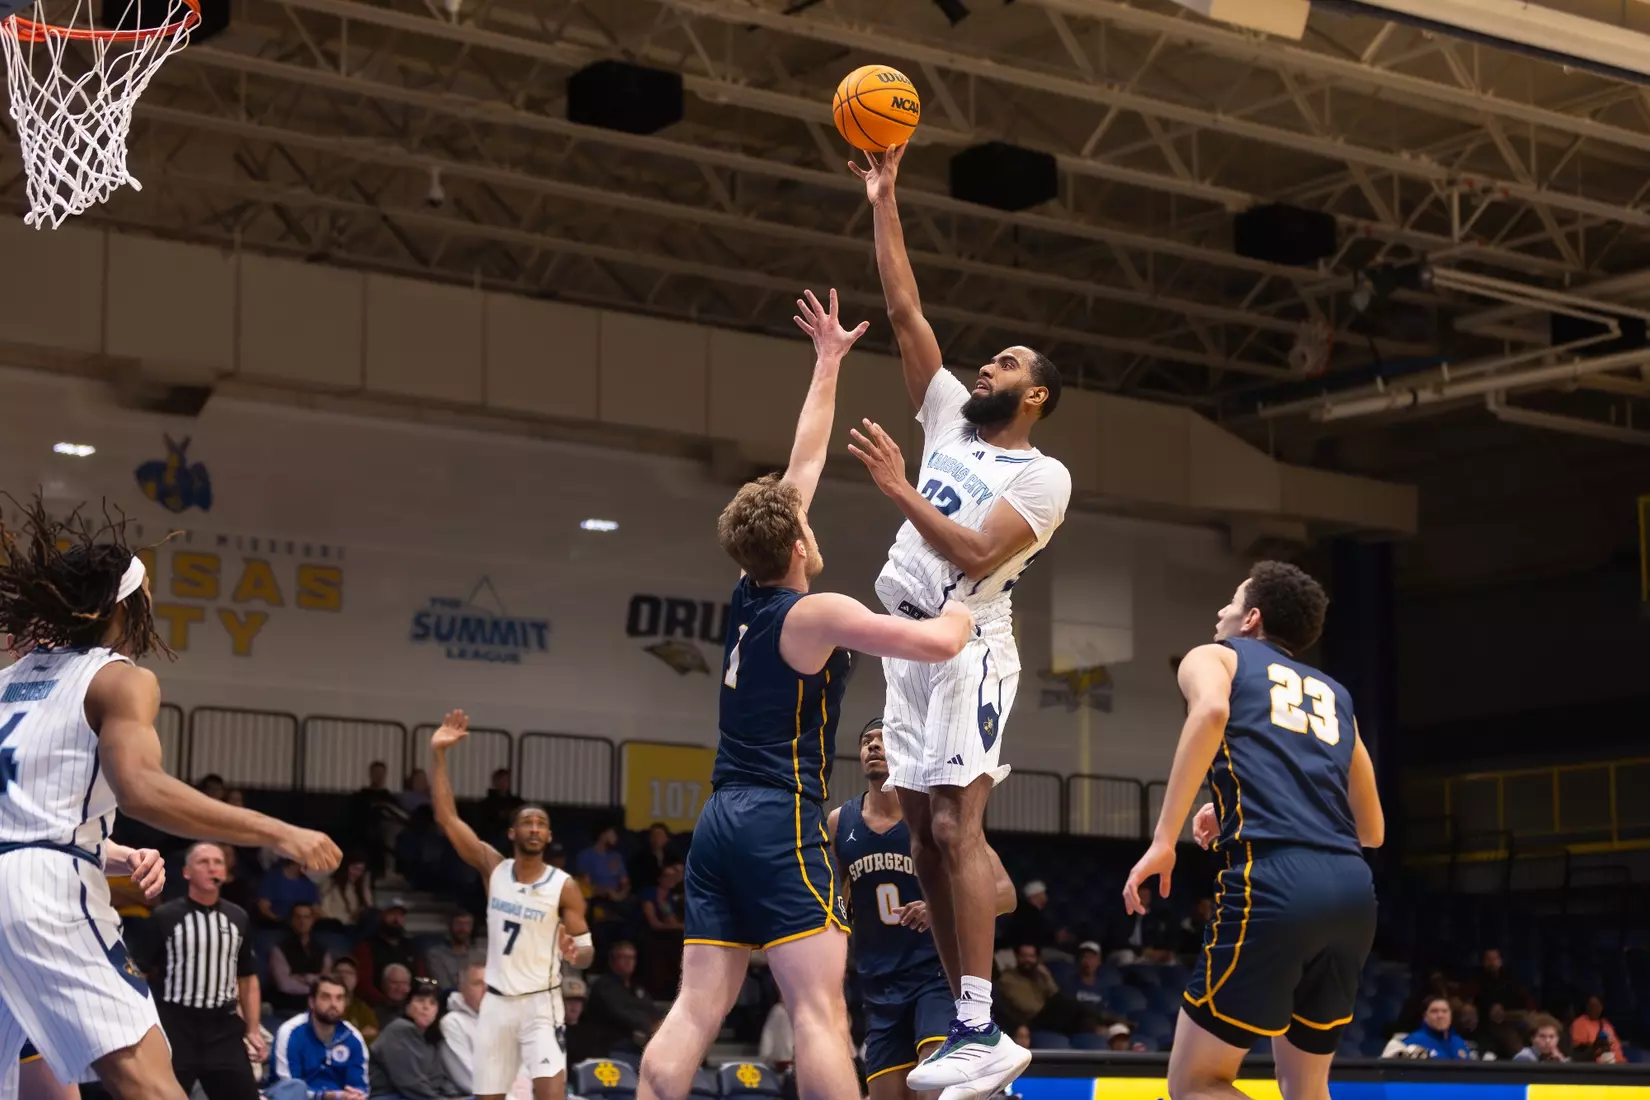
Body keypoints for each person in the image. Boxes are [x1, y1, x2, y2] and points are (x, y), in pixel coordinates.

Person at [637, 289, 977, 1100]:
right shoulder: (813, 610)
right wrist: (971, 591)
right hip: (779, 817)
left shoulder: (748, 593)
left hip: (719, 822)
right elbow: (939, 641)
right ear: (796, 543)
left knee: (696, 1005)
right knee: (822, 1009)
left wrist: (828, 362)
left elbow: (806, 461)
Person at [852, 143, 1071, 1098]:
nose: (987, 363)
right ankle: (969, 1026)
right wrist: (884, 198)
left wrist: (900, 489)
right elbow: (905, 309)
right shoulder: (946, 414)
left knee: (953, 824)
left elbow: (978, 554)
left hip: (968, 642)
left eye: (1007, 362)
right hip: (906, 642)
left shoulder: (1041, 473)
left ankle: (982, 1023)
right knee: (921, 839)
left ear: (1036, 397)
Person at [0, 496, 339, 1100]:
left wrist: (108, 853)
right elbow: (142, 789)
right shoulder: (119, 677)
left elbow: (20, 818)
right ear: (124, 606)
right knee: (151, 1082)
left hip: (18, 872)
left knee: (38, 1087)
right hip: (42, 895)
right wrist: (278, 831)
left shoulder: (8, 681)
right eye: (146, 590)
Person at [1123, 561, 1386, 1100]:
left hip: (1277, 882)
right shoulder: (1338, 696)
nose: (1221, 610)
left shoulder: (1214, 656)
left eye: (1232, 601)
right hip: (1353, 892)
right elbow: (1373, 829)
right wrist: (1244, 805)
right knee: (1307, 1089)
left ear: (1252, 619)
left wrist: (1163, 840)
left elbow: (1213, 711)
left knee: (1196, 1083)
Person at [830, 718, 1014, 1100]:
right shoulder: (838, 821)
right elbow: (834, 897)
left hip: (933, 975)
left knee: (935, 1091)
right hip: (877, 981)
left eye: (883, 740)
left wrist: (939, 908)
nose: (874, 747)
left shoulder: (936, 817)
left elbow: (1005, 893)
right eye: (867, 741)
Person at [430, 710, 592, 1100]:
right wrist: (438, 756)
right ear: (512, 832)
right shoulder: (494, 868)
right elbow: (447, 818)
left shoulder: (564, 886)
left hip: (542, 1005)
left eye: (540, 824)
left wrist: (577, 951)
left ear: (548, 834)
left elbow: (586, 953)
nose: (534, 828)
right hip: (498, 1004)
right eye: (527, 823)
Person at [144, 842, 265, 1100]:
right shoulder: (165, 916)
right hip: (177, 1026)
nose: (212, 867)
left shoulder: (238, 917)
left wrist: (253, 1028)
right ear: (187, 872)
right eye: (204, 862)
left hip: (223, 1027)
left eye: (218, 862)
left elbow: (247, 976)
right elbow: (140, 971)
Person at [269, 975, 370, 1100]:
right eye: (326, 997)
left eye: (339, 998)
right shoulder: (290, 1033)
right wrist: (324, 1096)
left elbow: (360, 1086)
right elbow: (288, 1088)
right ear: (312, 1002)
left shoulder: (353, 1037)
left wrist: (355, 1095)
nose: (333, 1004)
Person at [369, 980, 466, 1099]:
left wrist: (456, 1096)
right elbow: (411, 1083)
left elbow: (440, 1079)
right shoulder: (399, 1029)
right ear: (407, 1005)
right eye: (420, 1001)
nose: (426, 1007)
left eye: (432, 1003)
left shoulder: (429, 1039)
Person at [586, 943, 660, 1057]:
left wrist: (660, 1025)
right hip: (611, 1046)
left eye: (632, 958)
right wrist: (649, 1026)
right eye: (624, 957)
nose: (629, 961)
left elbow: (651, 1010)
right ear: (612, 961)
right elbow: (620, 1014)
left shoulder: (637, 987)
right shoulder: (603, 986)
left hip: (640, 1046)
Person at [271, 903, 335, 1015]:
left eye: (306, 917)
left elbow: (327, 980)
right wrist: (315, 984)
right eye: (298, 917)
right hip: (290, 1004)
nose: (302, 921)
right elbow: (284, 985)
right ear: (292, 920)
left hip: (318, 1004)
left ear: (313, 920)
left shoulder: (322, 949)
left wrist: (304, 978)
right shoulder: (280, 949)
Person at [438, 964, 488, 1096]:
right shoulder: (452, 1022)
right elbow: (469, 1081)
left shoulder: (496, 1019)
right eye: (477, 983)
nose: (485, 990)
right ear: (462, 988)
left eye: (489, 984)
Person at [639, 861, 686, 999]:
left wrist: (678, 925)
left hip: (663, 934)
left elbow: (671, 922)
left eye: (673, 877)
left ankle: (676, 986)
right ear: (660, 878)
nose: (670, 880)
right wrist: (679, 926)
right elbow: (654, 923)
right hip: (646, 931)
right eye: (667, 876)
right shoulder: (649, 893)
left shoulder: (670, 898)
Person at [357, 901, 417, 1006]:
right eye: (392, 914)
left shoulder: (411, 947)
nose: (396, 919)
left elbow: (418, 978)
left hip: (408, 1005)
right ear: (382, 916)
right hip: (376, 1006)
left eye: (400, 915)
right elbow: (364, 984)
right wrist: (385, 1003)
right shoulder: (366, 947)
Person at [1382, 998, 1472, 1060]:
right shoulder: (1412, 1041)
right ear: (1425, 1016)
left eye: (1444, 1011)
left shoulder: (1459, 1042)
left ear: (1451, 1015)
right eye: (1434, 1011)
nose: (1440, 1016)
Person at [420, 911, 483, 994]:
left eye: (467, 924)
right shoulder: (435, 955)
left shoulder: (480, 956)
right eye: (458, 924)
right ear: (450, 926)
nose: (463, 928)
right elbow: (444, 986)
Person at [258, 859, 322, 927]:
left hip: (303, 927)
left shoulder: (308, 883)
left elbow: (316, 909)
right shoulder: (272, 878)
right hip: (277, 926)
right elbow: (264, 908)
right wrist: (280, 921)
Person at [332, 958, 383, 1044]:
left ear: (356, 979)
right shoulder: (324, 1007)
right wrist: (359, 1034)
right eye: (339, 972)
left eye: (349, 973)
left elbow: (374, 1034)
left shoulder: (362, 1008)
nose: (344, 976)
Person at [319, 857, 376, 930]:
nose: (357, 873)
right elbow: (323, 908)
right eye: (355, 868)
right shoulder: (330, 884)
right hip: (333, 927)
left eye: (361, 870)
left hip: (351, 928)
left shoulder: (355, 889)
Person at [1570, 995, 1624, 1064]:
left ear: (1601, 1008)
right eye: (1591, 1006)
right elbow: (1580, 1053)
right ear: (1587, 1007)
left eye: (1596, 1006)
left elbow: (1616, 1047)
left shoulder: (1606, 1024)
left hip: (1617, 1065)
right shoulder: (1579, 1024)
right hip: (1595, 1067)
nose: (1593, 1009)